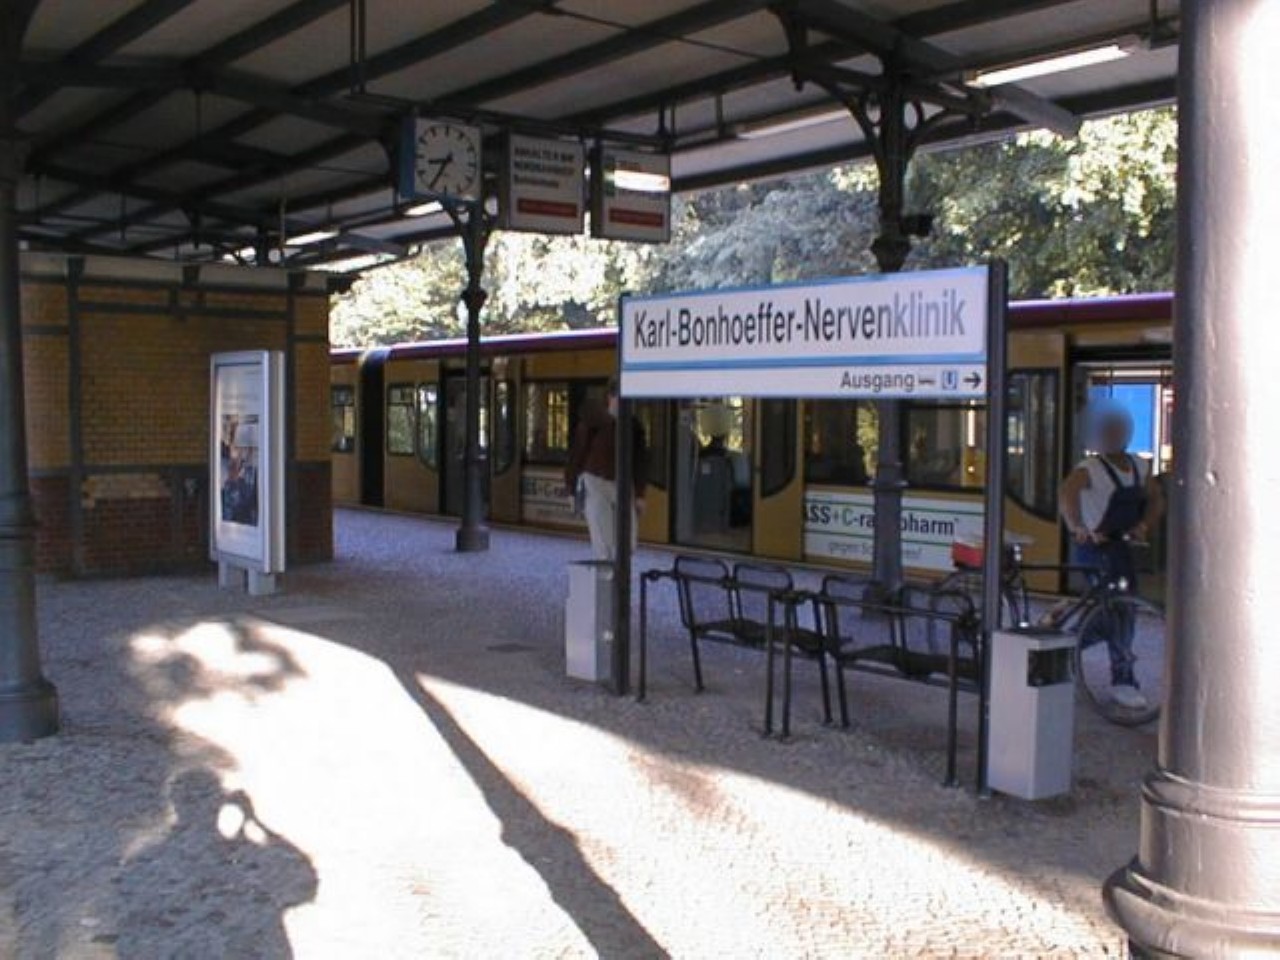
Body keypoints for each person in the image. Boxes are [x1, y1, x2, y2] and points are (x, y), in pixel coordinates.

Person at [1058, 403, 1165, 709]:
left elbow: (1156, 499)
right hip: (1093, 548)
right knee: (1117, 610)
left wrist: (1144, 525)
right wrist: (1078, 527)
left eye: (1118, 430)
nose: (1114, 436)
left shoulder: (1139, 467)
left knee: (1119, 610)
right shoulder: (1089, 468)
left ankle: (1065, 645)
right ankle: (1122, 679)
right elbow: (1067, 496)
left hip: (1120, 547)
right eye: (1108, 431)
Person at [565, 379, 648, 561]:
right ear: (610, 397)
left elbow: (639, 462)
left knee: (628, 541)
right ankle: (607, 573)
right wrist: (571, 489)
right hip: (595, 482)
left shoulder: (634, 426)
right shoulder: (593, 420)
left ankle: (619, 570)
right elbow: (576, 456)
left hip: (622, 484)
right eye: (621, 398)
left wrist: (640, 494)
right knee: (603, 540)